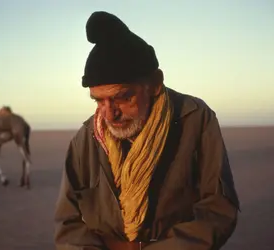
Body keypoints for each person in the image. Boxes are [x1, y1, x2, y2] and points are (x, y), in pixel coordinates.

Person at [54, 11, 240, 250]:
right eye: (99, 101)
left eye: (122, 98)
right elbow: (68, 223)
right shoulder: (86, 138)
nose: (109, 114)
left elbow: (218, 209)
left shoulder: (194, 119)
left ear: (154, 84)